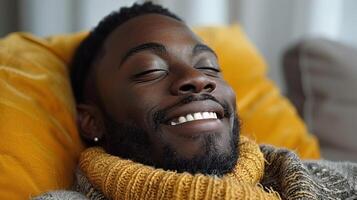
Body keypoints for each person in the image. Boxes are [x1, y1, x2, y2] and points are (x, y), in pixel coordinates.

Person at [35, 2, 357, 200]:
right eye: (149, 70)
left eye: (209, 66)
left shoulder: (340, 181)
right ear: (92, 121)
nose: (198, 78)